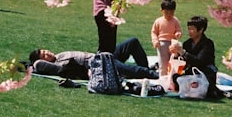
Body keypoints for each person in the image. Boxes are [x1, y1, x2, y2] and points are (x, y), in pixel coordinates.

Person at [28, 37, 158, 81]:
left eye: (45, 51)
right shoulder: (59, 65)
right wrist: (32, 65)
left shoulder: (60, 55)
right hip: (99, 64)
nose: (48, 53)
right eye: (44, 55)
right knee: (129, 69)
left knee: (132, 42)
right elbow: (38, 65)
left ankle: (145, 69)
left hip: (102, 55)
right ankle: (154, 75)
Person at [170, 14, 220, 97]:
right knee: (175, 77)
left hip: (204, 74)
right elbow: (183, 63)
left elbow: (199, 62)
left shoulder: (207, 44)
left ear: (200, 30)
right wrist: (176, 54)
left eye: (192, 29)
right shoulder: (187, 43)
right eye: (189, 29)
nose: (189, 31)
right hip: (191, 74)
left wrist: (183, 52)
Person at [150, 0, 183, 83]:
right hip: (162, 44)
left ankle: (174, 79)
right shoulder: (158, 21)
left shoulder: (175, 21)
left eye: (171, 12)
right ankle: (163, 80)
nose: (169, 15)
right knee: (163, 63)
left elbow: (179, 29)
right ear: (161, 11)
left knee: (174, 61)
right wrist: (155, 41)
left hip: (173, 43)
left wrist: (178, 33)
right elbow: (154, 32)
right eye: (166, 12)